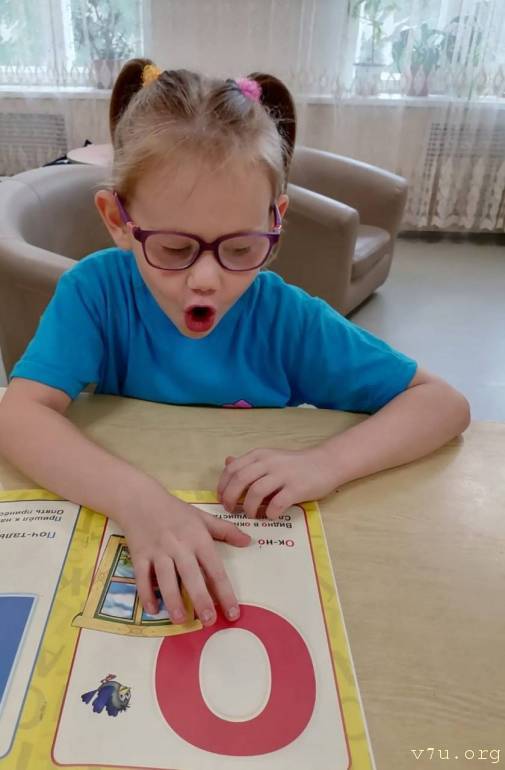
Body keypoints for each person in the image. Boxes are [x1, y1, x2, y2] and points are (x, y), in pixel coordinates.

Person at [0, 59, 470, 630]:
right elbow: (19, 415)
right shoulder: (95, 292)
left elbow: (442, 404)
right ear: (118, 220)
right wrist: (136, 500)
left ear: (277, 219)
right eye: (174, 249)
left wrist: (327, 463)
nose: (206, 279)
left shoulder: (286, 318)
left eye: (242, 248)